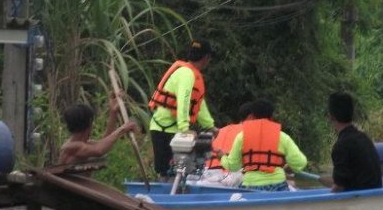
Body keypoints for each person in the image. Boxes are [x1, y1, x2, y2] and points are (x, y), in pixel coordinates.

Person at [148, 38, 217, 180]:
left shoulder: (191, 73)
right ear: (206, 58)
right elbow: (184, 100)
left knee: (181, 172)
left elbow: (199, 104)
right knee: (168, 173)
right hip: (164, 129)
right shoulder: (187, 74)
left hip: (172, 130)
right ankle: (167, 198)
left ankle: (175, 193)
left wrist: (210, 126)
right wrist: (184, 127)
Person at [221, 99, 307, 191]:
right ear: (272, 116)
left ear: (253, 116)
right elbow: (300, 163)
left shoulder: (241, 136)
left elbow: (232, 166)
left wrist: (222, 157)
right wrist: (290, 167)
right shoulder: (282, 136)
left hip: (250, 185)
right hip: (276, 185)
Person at [58, 93, 138, 165]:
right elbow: (99, 150)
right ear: (88, 125)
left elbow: (104, 141)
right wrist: (123, 129)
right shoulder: (72, 147)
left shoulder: (83, 144)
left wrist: (113, 112)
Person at [326, 92, 383, 192]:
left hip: (360, 200)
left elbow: (339, 186)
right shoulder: (365, 138)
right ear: (352, 114)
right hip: (375, 196)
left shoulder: (341, 146)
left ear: (331, 117)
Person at [202, 102, 252, 187]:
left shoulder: (221, 130)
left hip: (206, 174)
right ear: (251, 117)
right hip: (228, 176)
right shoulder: (249, 132)